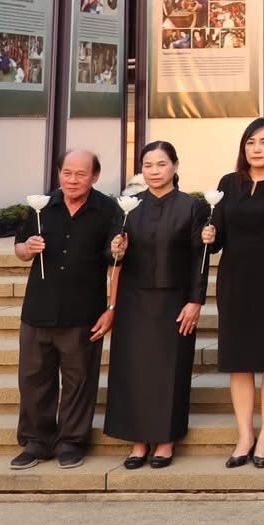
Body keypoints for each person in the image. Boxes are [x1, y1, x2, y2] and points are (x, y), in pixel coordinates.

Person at [9, 150, 118, 470]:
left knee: (79, 380)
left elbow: (115, 260)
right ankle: (36, 441)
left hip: (83, 311)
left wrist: (117, 251)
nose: (73, 179)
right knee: (33, 379)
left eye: (81, 174)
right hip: (38, 310)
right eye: (67, 173)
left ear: (95, 176)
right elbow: (19, 248)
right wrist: (27, 248)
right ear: (59, 174)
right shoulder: (42, 207)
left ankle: (71, 441)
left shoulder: (107, 210)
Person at [104, 141, 208, 468]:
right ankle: (137, 441)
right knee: (132, 370)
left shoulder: (192, 207)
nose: (154, 171)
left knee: (169, 370)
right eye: (148, 165)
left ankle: (165, 440)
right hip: (134, 300)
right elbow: (113, 256)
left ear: (175, 166)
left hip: (175, 299)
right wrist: (116, 249)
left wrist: (196, 300)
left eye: (161, 164)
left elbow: (199, 259)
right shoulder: (128, 206)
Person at [206, 118, 264, 468]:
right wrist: (209, 235)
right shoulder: (228, 184)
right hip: (235, 281)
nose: (256, 149)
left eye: (263, 142)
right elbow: (217, 239)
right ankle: (245, 433)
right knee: (239, 361)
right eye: (250, 142)